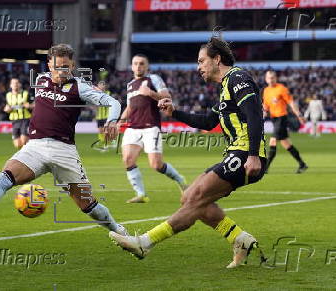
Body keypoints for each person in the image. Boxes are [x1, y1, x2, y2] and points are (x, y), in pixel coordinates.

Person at [110, 37, 267, 268]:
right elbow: (207, 121)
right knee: (189, 197)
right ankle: (240, 239)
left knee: (194, 198)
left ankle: (144, 242)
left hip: (245, 155)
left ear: (217, 59)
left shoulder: (237, 78)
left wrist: (253, 154)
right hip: (235, 153)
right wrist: (174, 112)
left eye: (202, 61)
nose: (198, 67)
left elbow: (254, 114)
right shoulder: (225, 87)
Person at [0, 44, 128, 236]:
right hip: (35, 146)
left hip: (63, 150)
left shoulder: (79, 87)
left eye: (66, 66)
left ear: (72, 65)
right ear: (49, 65)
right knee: (6, 175)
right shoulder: (41, 80)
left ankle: (119, 231)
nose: (62, 71)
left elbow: (113, 102)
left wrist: (112, 121)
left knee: (87, 204)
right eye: (58, 66)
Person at [118, 54, 187, 203]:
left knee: (156, 164)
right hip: (133, 127)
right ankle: (141, 194)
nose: (138, 66)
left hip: (151, 127)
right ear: (131, 66)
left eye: (141, 63)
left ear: (147, 66)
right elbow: (130, 106)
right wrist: (119, 122)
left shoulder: (153, 79)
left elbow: (167, 98)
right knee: (128, 159)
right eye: (135, 63)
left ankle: (180, 180)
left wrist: (150, 93)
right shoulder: (130, 84)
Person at [263, 71, 308, 174]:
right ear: (266, 79)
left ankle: (265, 168)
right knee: (286, 143)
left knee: (273, 141)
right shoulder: (266, 91)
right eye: (269, 78)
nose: (271, 79)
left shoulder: (282, 89)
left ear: (276, 78)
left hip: (282, 118)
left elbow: (291, 103)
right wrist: (263, 114)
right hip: (274, 119)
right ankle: (302, 164)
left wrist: (299, 115)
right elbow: (266, 106)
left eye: (273, 77)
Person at [4, 78, 33, 149]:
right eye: (13, 83)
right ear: (10, 85)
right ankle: (32, 146)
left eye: (17, 83)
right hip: (14, 121)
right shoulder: (8, 95)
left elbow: (35, 104)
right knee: (17, 145)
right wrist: (7, 109)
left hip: (25, 119)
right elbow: (6, 107)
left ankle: (28, 156)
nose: (15, 85)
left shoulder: (26, 93)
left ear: (20, 84)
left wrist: (29, 106)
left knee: (24, 141)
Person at [93, 82, 113, 151]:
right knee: (100, 131)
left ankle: (106, 144)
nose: (101, 86)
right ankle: (104, 142)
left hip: (106, 115)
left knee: (106, 130)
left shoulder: (108, 93)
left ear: (105, 86)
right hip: (99, 116)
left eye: (103, 85)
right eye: (100, 85)